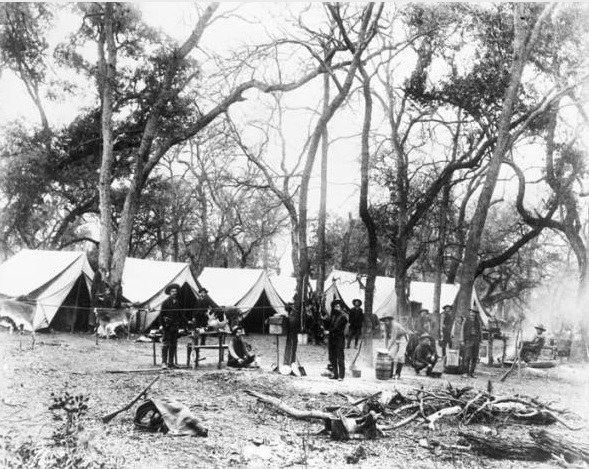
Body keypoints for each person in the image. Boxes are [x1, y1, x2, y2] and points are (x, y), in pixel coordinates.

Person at [159, 283, 184, 369]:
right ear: (169, 292)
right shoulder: (165, 303)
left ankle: (171, 362)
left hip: (175, 327)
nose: (174, 293)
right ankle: (164, 363)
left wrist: (185, 323)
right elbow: (161, 315)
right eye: (172, 291)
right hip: (167, 326)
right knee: (165, 345)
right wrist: (162, 325)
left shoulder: (178, 303)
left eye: (175, 291)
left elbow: (181, 315)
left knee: (173, 345)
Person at [381, 315, 409, 379]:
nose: (386, 322)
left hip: (403, 338)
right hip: (397, 339)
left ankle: (397, 373)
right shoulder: (385, 327)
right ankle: (390, 374)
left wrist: (389, 347)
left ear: (390, 320)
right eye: (385, 321)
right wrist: (386, 348)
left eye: (387, 320)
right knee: (391, 355)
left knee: (400, 356)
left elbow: (393, 337)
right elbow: (386, 337)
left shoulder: (394, 325)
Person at [326, 299, 348, 381]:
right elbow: (329, 325)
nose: (336, 308)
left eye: (338, 306)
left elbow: (337, 328)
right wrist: (325, 320)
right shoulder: (333, 316)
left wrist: (329, 331)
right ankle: (335, 374)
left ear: (341, 308)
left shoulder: (343, 317)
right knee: (332, 357)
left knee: (340, 357)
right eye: (335, 306)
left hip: (339, 338)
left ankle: (341, 376)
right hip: (332, 339)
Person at [460, 308, 482, 378]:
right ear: (469, 313)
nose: (472, 314)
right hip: (468, 340)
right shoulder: (466, 321)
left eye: (474, 313)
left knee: (475, 357)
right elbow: (462, 330)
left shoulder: (478, 322)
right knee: (467, 357)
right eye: (471, 313)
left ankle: (471, 373)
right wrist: (462, 340)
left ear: (475, 314)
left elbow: (480, 331)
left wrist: (480, 340)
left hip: (476, 340)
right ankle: (465, 372)